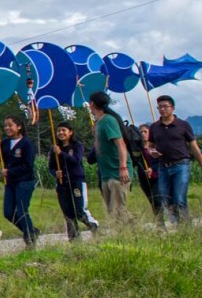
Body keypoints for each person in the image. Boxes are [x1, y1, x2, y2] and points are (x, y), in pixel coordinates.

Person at [147, 95, 202, 226]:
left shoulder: (183, 125)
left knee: (179, 197)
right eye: (159, 107)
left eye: (165, 106)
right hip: (162, 165)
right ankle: (176, 222)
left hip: (181, 164)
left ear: (173, 108)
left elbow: (193, 146)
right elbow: (150, 147)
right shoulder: (154, 127)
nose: (162, 109)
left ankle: (185, 225)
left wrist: (200, 161)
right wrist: (152, 153)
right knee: (165, 196)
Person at [0, 115, 39, 246]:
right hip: (10, 183)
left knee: (22, 210)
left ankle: (30, 239)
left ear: (19, 126)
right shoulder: (5, 143)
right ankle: (31, 230)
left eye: (10, 125)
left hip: (24, 182)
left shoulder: (27, 144)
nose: (7, 128)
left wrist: (10, 171)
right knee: (8, 212)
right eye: (5, 125)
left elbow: (28, 165)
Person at [49, 121, 98, 240]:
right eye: (59, 131)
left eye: (63, 130)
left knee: (79, 210)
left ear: (70, 132)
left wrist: (61, 154)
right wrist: (55, 172)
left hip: (76, 181)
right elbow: (51, 166)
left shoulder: (77, 145)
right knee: (68, 213)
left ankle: (93, 225)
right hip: (62, 183)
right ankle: (74, 238)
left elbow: (75, 161)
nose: (61, 133)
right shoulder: (55, 148)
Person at [88, 91, 131, 224]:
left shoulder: (108, 121)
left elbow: (121, 145)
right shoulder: (99, 123)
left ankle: (129, 234)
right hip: (106, 173)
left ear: (93, 104)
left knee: (119, 209)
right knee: (111, 209)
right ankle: (124, 232)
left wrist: (123, 167)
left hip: (117, 171)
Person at [132, 123, 164, 222]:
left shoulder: (156, 146)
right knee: (152, 200)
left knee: (157, 199)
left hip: (156, 175)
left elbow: (160, 160)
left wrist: (152, 168)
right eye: (141, 132)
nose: (143, 134)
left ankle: (161, 220)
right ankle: (159, 221)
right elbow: (135, 162)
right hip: (143, 176)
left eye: (145, 132)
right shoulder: (138, 148)